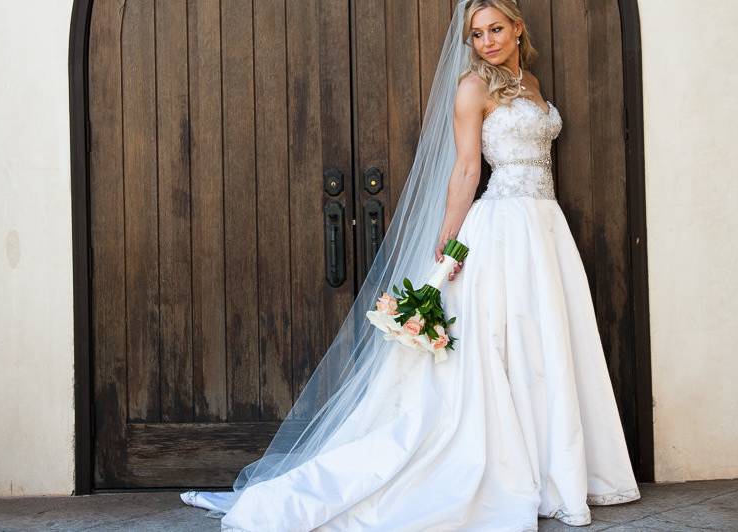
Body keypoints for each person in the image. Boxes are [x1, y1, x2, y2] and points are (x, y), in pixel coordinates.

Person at [180, 0, 641, 530]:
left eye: (496, 29)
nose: (487, 40)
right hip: (502, 228)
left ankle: (553, 466)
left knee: (544, 344)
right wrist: (449, 240)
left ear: (518, 29)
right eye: (477, 33)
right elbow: (468, 168)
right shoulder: (473, 87)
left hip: (545, 228)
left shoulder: (532, 81)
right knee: (498, 347)